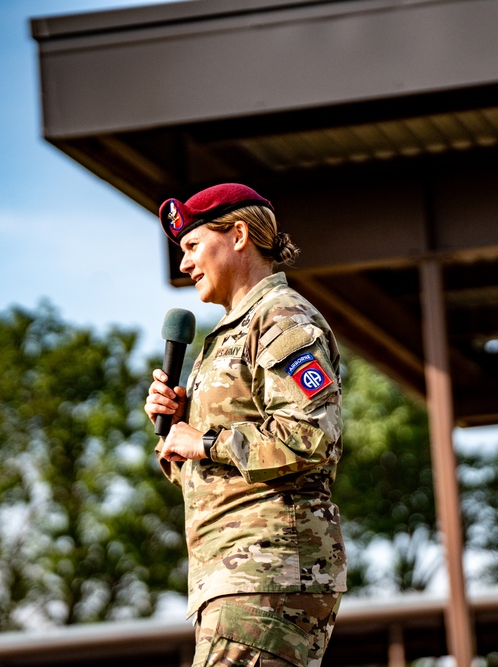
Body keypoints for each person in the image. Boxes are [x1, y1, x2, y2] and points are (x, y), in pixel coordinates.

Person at [143, 183, 347, 667]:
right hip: (237, 572)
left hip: (266, 569)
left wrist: (206, 441)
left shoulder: (281, 319)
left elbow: (312, 437)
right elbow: (203, 469)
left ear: (238, 235)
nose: (184, 264)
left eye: (193, 245)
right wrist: (177, 430)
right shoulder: (228, 335)